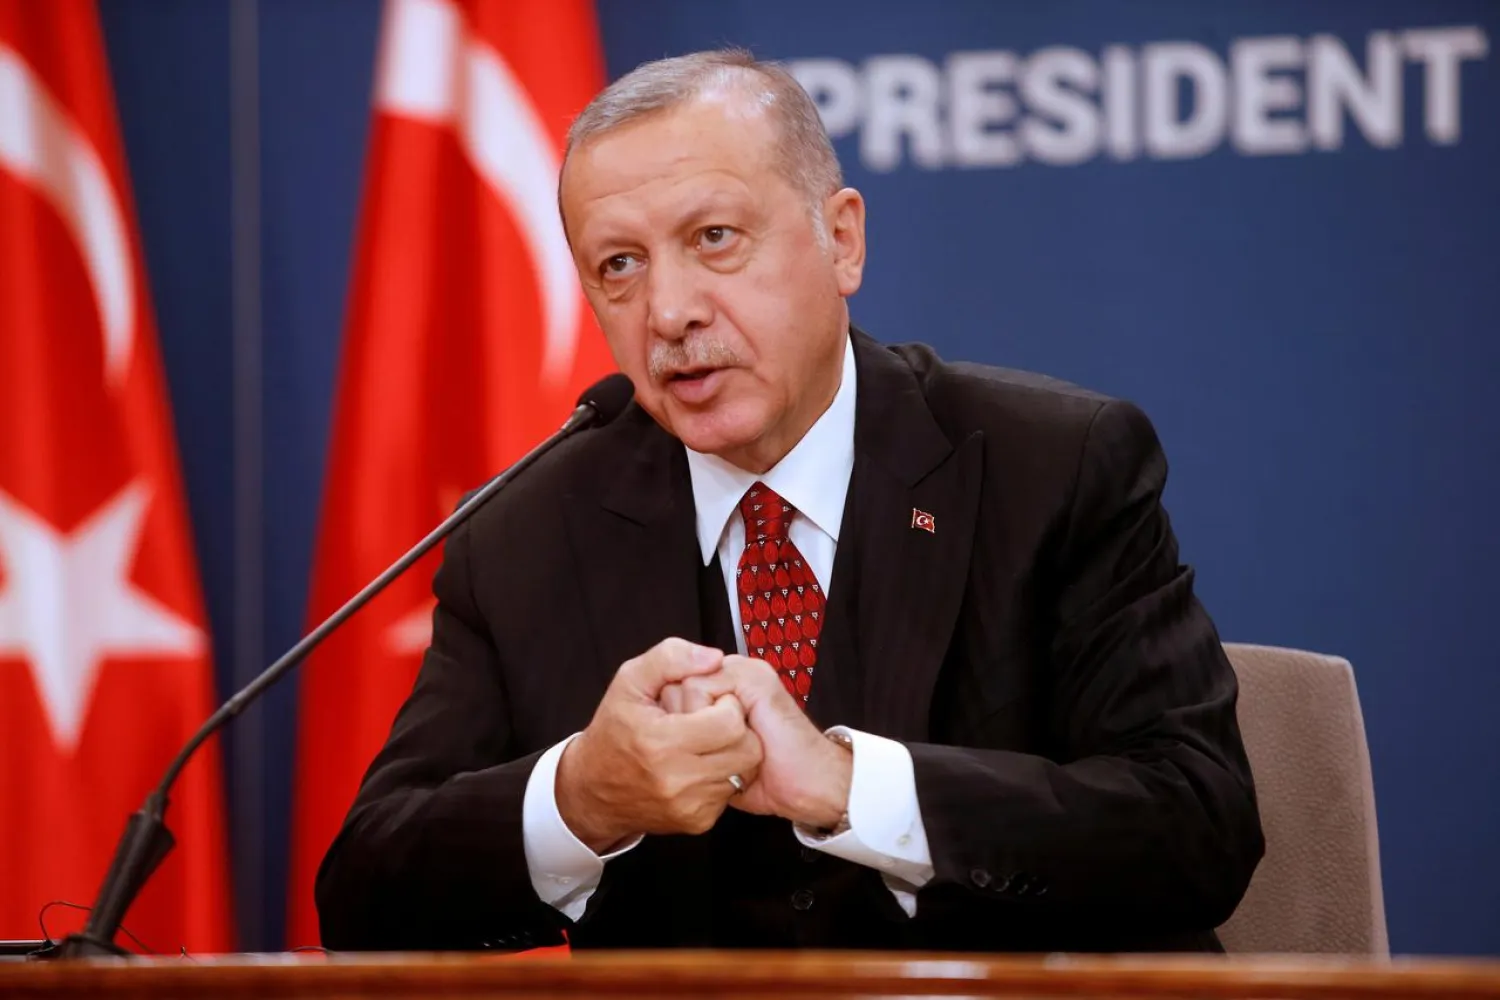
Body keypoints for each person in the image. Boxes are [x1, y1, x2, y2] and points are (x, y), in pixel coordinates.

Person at [315, 49, 1263, 953]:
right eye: (620, 266)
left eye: (712, 238)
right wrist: (582, 801)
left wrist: (851, 788)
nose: (669, 312)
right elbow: (366, 893)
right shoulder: (523, 535)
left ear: (841, 239)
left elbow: (1194, 822)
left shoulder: (1051, 465)